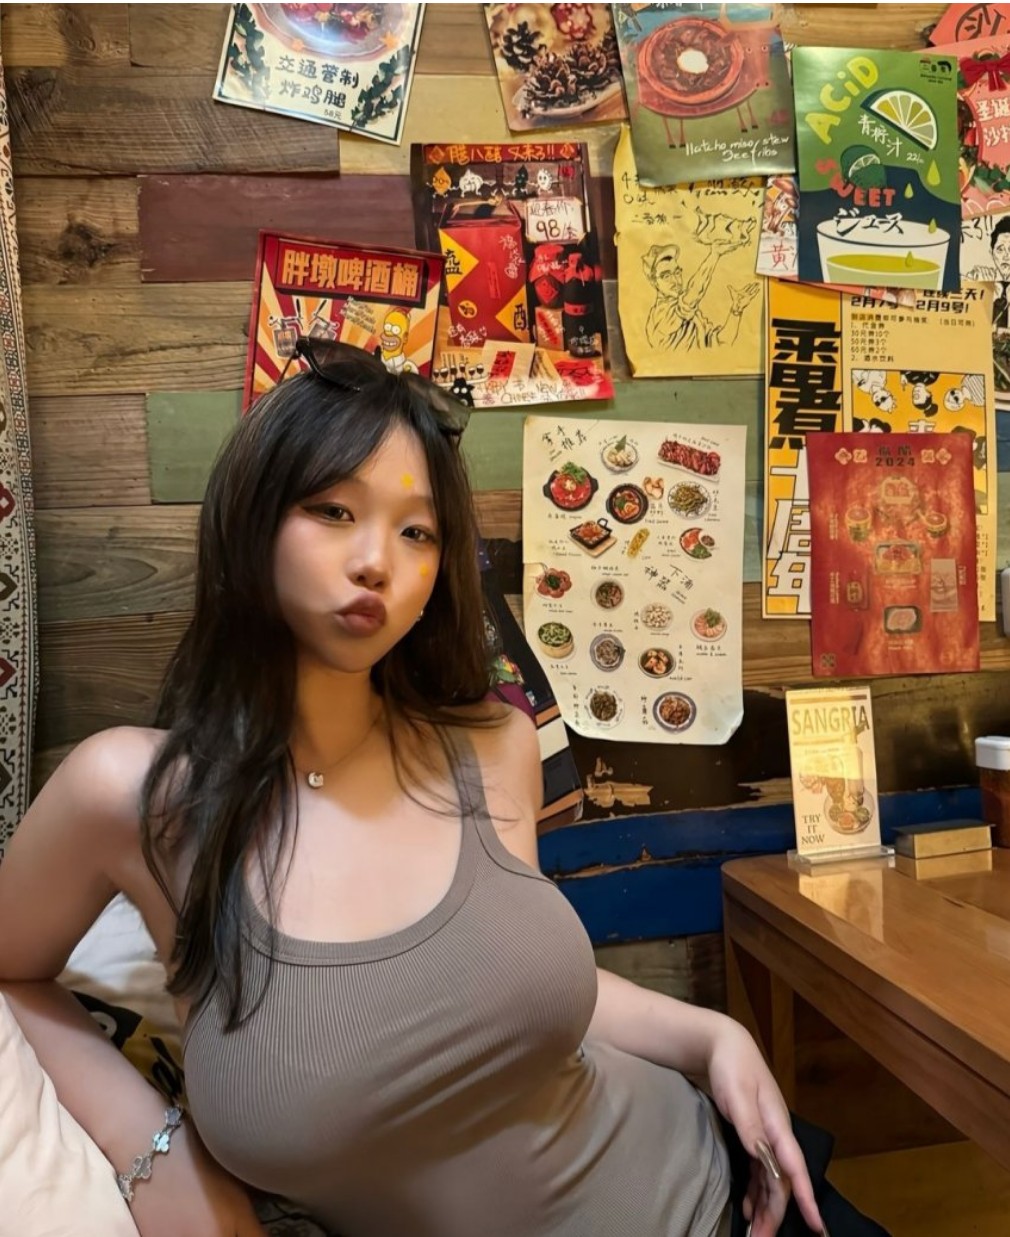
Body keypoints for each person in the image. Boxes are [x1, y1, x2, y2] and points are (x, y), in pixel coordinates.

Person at [0, 339, 882, 1237]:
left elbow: (501, 989)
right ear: (251, 518)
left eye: (416, 531)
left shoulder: (494, 745)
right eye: (333, 509)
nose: (375, 560)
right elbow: (8, 971)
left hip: (720, 1195)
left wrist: (714, 1035)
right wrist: (155, 1151)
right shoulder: (135, 794)